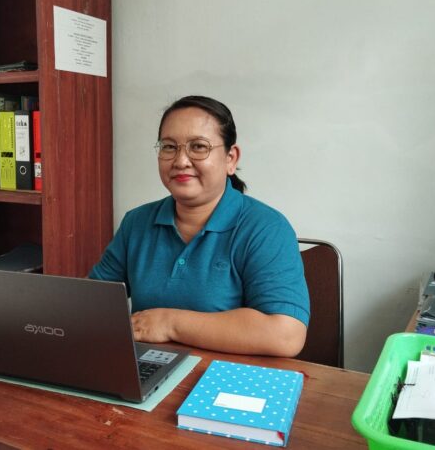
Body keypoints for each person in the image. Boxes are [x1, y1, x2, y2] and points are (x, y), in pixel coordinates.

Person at [89, 95, 309, 357]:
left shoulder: (266, 228)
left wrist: (169, 323)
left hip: (229, 375)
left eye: (198, 147)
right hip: (148, 369)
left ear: (230, 159)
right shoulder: (136, 223)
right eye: (169, 147)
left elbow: (286, 335)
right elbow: (92, 303)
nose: (181, 161)